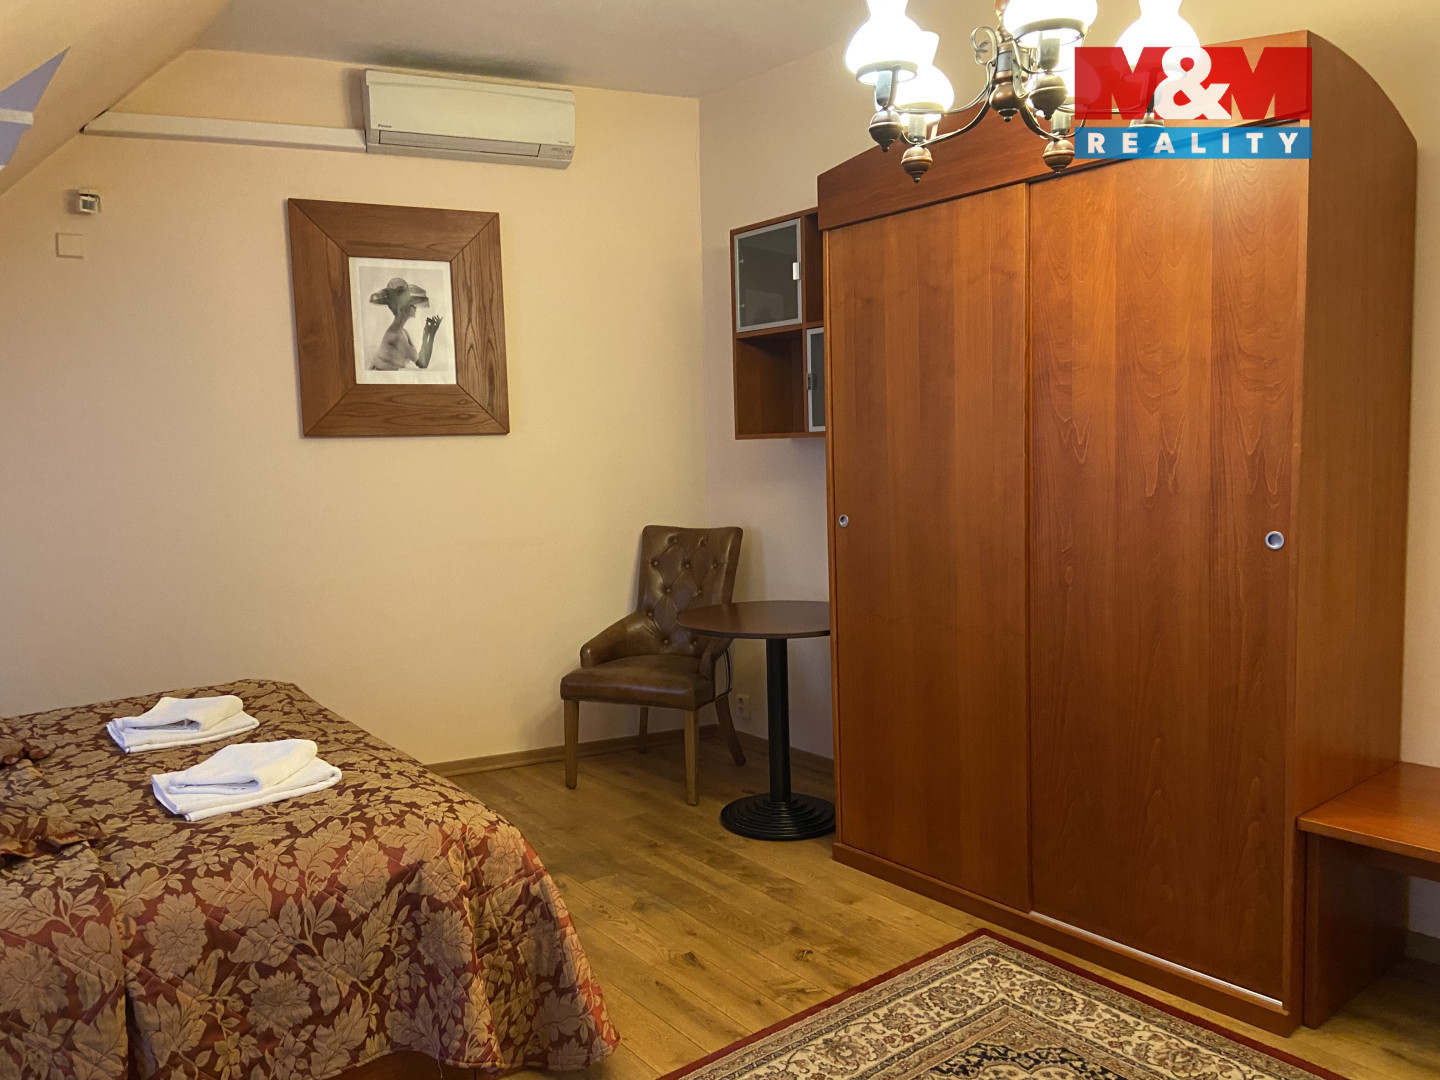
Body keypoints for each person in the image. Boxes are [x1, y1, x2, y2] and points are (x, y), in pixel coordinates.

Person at [367, 277, 442, 371]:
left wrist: (427, 333)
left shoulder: (403, 332)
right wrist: (430, 333)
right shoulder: (395, 335)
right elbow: (422, 364)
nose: (415, 307)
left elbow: (421, 360)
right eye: (411, 304)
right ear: (401, 309)